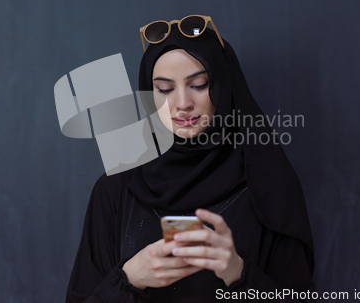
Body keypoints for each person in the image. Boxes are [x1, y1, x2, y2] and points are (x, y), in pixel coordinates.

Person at [66, 15, 315, 302]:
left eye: (198, 84)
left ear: (223, 86)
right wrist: (130, 278)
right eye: (165, 89)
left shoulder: (269, 188)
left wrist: (238, 273)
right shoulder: (116, 190)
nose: (182, 103)